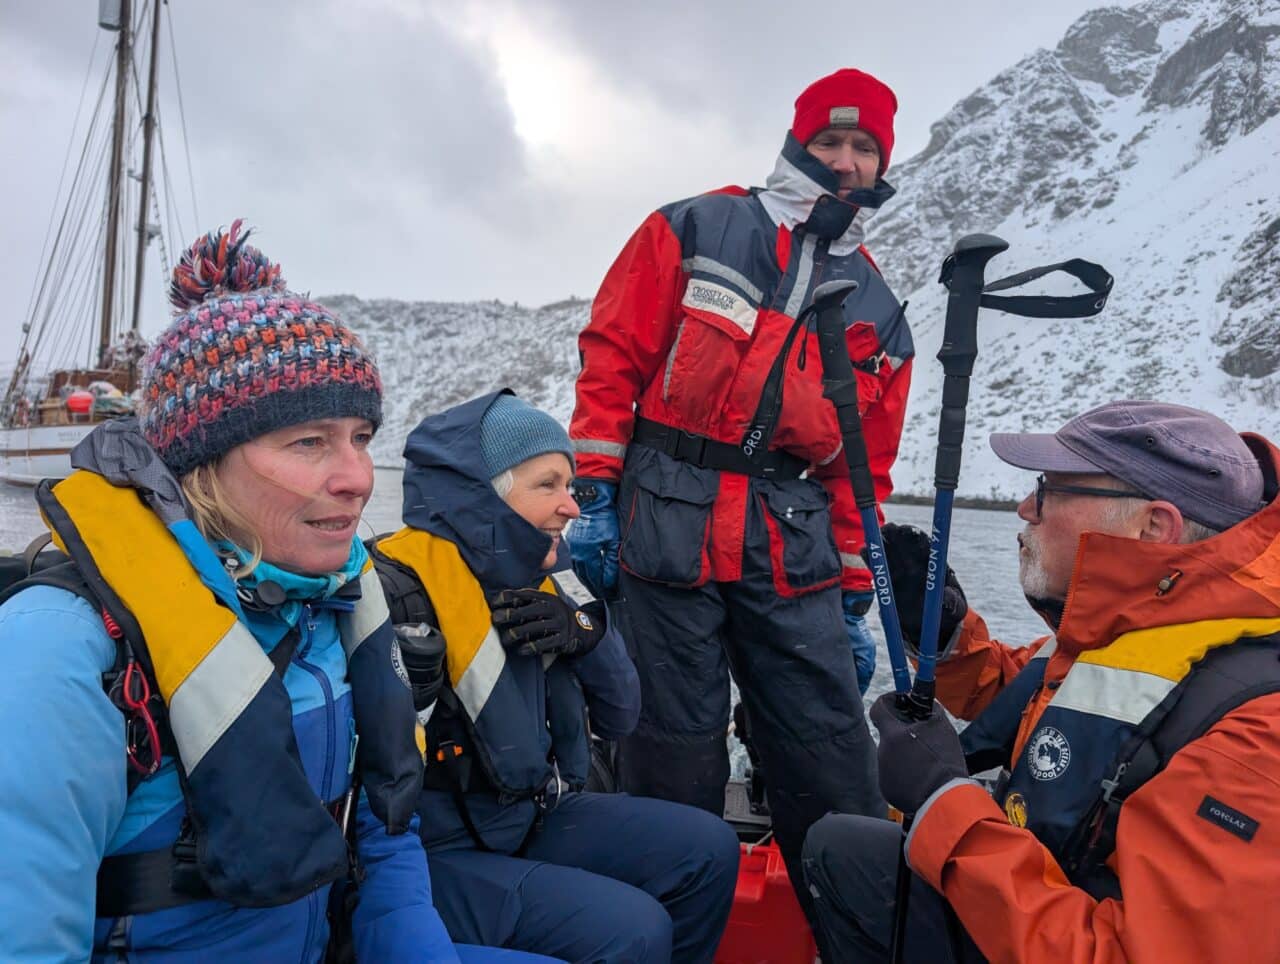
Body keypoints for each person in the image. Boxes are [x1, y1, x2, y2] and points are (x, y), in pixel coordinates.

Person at [0, 223, 548, 963]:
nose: (357, 475)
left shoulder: (335, 611)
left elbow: (386, 838)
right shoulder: (60, 654)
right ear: (200, 465)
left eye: (360, 436)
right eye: (308, 442)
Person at [566, 66, 912, 917]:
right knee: (668, 755)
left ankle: (848, 933)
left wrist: (857, 591)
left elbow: (863, 466)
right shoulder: (694, 226)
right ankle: (660, 930)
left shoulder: (881, 306)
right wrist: (594, 493)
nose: (844, 160)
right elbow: (613, 358)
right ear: (796, 143)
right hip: (665, 524)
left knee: (832, 757)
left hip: (791, 547)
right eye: (829, 140)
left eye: (863, 146)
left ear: (882, 164)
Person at [802, 400, 1280, 962]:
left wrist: (942, 802)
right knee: (847, 851)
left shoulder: (1255, 733)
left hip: (1058, 933)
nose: (1026, 508)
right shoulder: (1142, 621)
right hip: (1037, 898)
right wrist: (944, 631)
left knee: (841, 851)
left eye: (1050, 491)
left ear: (1153, 527)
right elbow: (1042, 701)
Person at [369, 391, 741, 964]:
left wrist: (587, 636)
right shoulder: (399, 596)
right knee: (633, 930)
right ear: (479, 496)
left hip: (534, 814)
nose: (571, 506)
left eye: (569, 487)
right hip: (435, 852)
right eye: (547, 486)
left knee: (711, 848)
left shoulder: (554, 575)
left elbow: (621, 713)